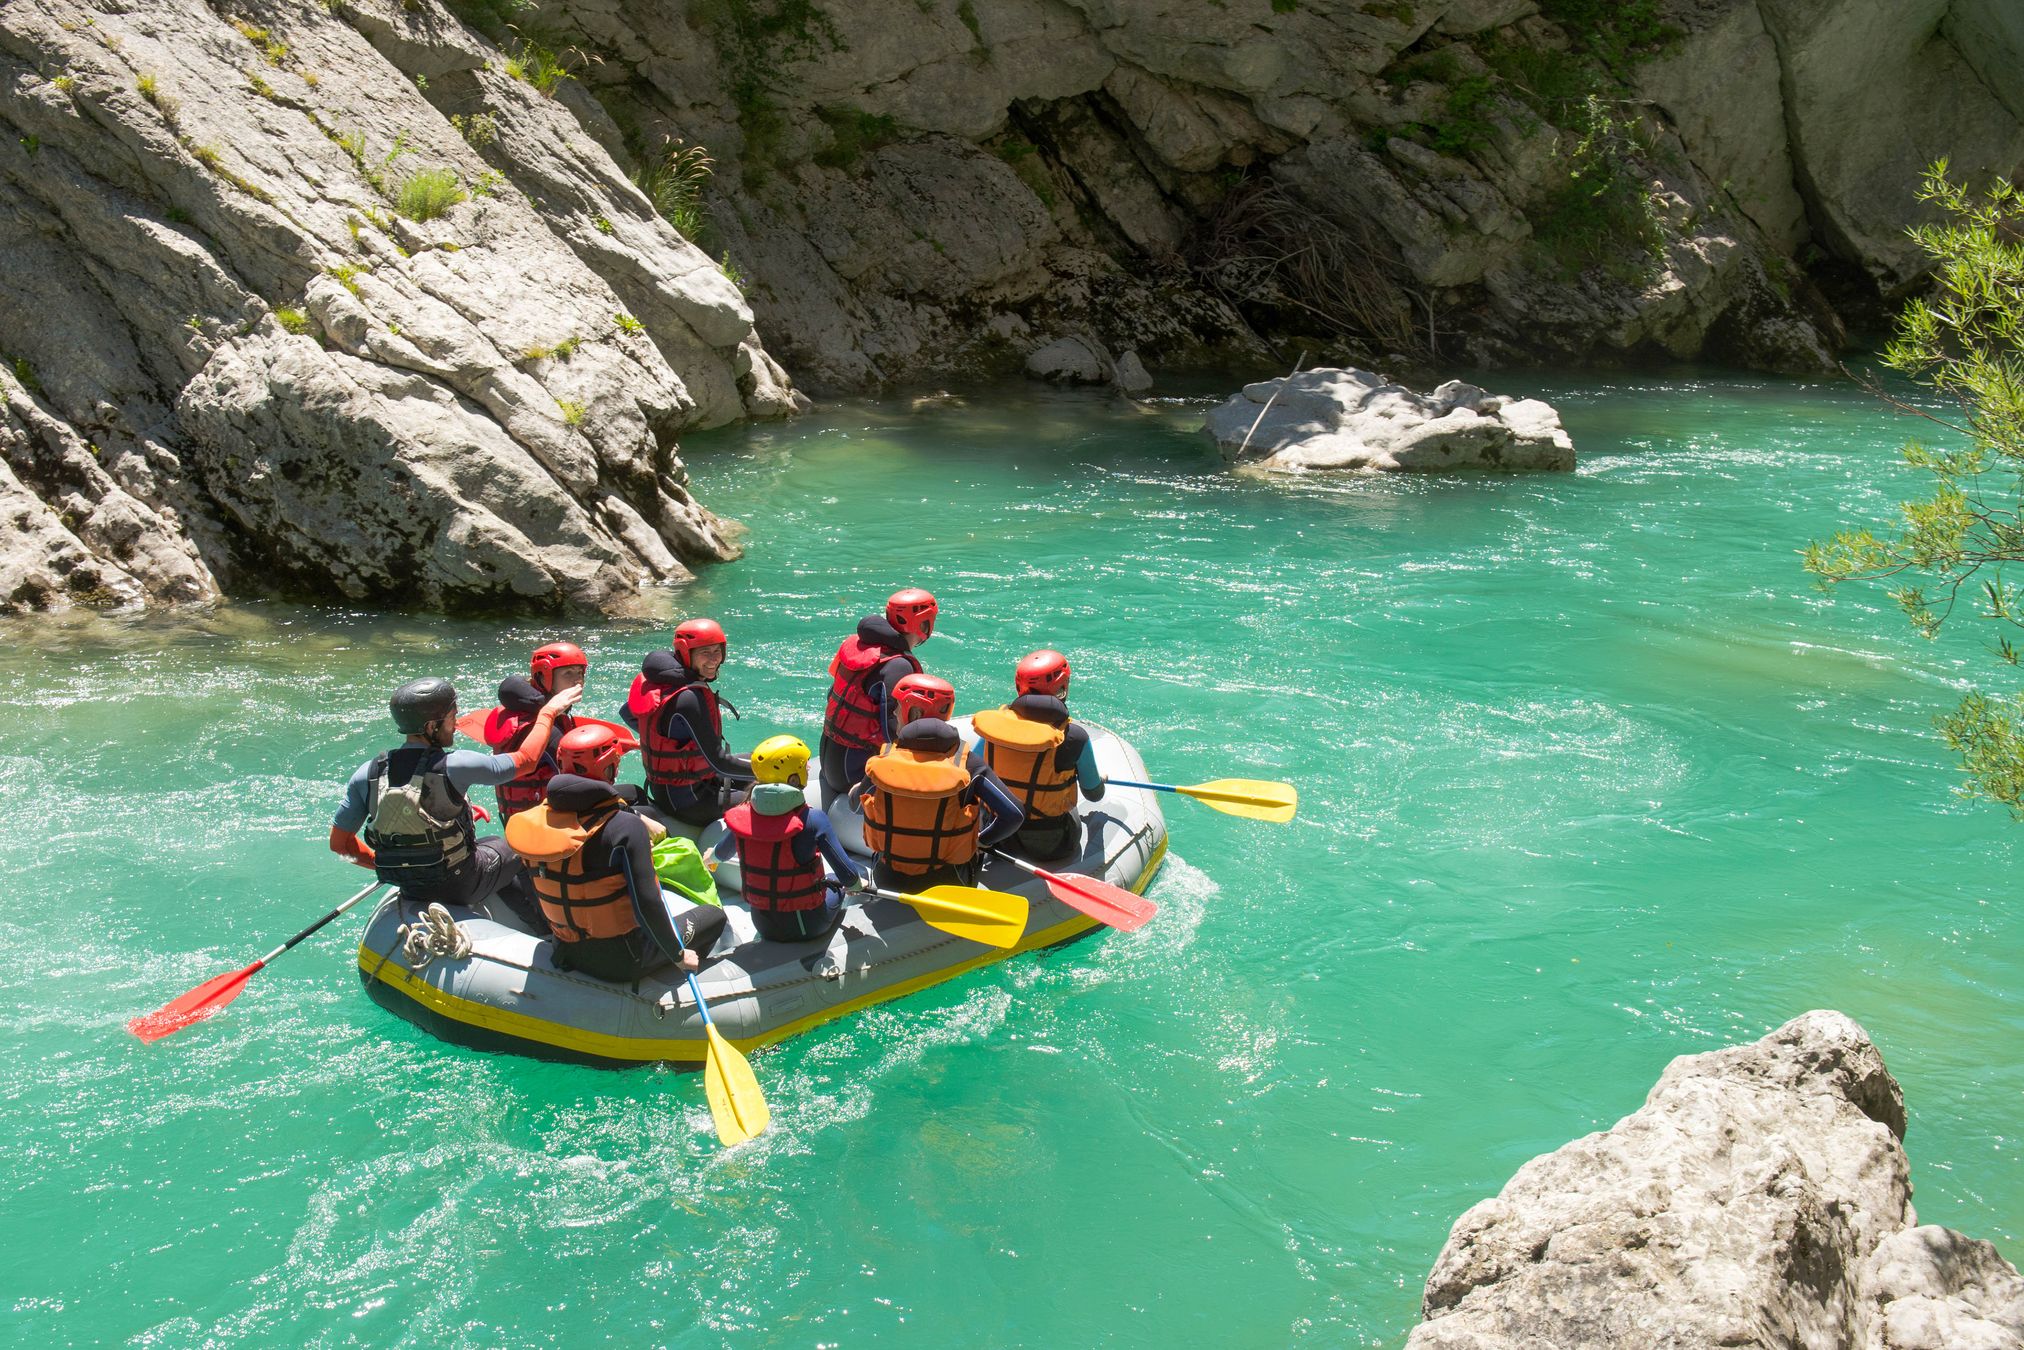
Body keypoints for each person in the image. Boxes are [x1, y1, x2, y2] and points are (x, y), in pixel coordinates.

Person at [330, 676, 581, 918]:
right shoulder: (456, 764)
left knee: (491, 840)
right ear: (431, 727)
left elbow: (340, 845)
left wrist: (390, 865)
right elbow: (526, 760)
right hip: (459, 884)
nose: (457, 723)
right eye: (451, 717)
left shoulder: (368, 772)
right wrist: (548, 713)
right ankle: (542, 924)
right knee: (517, 847)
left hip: (407, 886)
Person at [505, 769, 728, 984]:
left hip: (564, 949)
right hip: (624, 960)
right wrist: (677, 954)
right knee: (714, 916)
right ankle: (685, 973)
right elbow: (647, 905)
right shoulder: (625, 827)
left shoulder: (539, 829)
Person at [715, 735, 866, 943]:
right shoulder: (814, 819)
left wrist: (710, 858)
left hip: (764, 924)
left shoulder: (744, 817)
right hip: (808, 926)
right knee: (845, 881)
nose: (809, 770)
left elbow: (721, 854)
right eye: (804, 766)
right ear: (793, 780)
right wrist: (856, 885)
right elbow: (849, 876)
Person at [856, 716, 1023, 893]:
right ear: (953, 747)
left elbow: (855, 805)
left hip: (887, 878)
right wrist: (982, 841)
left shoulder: (882, 765)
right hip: (946, 881)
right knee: (977, 811)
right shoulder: (970, 766)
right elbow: (1014, 814)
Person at [970, 649, 1104, 861]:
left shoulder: (994, 730)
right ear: (1062, 688)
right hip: (1052, 845)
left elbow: (971, 773)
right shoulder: (1074, 737)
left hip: (998, 835)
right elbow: (1094, 794)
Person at [621, 618, 753, 827]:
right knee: (767, 794)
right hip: (690, 802)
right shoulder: (689, 697)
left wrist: (665, 739)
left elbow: (627, 712)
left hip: (673, 789)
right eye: (704, 653)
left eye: (717, 651)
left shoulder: (658, 680)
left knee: (756, 758)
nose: (713, 660)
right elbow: (719, 762)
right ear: (685, 653)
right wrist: (773, 772)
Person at [818, 588, 938, 805]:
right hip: (853, 772)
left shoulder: (857, 645)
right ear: (924, 624)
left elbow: (832, 696)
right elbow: (894, 730)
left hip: (828, 759)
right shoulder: (899, 666)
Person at [484, 642, 587, 822]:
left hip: (518, 821)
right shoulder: (546, 728)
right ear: (543, 678)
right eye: (567, 673)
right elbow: (584, 774)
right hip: (542, 826)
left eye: (579, 673)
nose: (577, 680)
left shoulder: (521, 713)